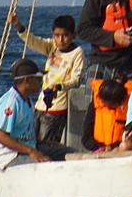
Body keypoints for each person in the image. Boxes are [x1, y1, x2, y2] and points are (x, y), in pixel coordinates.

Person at [9, 12, 87, 152]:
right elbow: (33, 41)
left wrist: (60, 86)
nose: (61, 40)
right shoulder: (52, 47)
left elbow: (76, 79)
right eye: (56, 36)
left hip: (57, 108)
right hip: (41, 104)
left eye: (65, 36)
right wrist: (18, 25)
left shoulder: (77, 53)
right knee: (31, 140)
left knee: (47, 144)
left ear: (73, 35)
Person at [0, 57, 53, 168]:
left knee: (63, 152)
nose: (41, 82)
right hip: (10, 156)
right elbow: (1, 136)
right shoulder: (11, 102)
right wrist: (31, 151)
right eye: (38, 79)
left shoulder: (27, 100)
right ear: (27, 81)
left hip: (26, 150)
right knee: (48, 165)